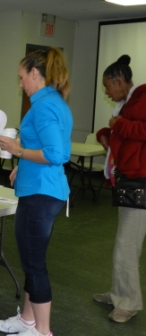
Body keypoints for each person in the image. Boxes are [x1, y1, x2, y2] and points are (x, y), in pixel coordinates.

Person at [0, 48, 73, 336]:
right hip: (40, 187)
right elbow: (47, 150)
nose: (20, 84)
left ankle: (42, 330)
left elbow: (56, 153)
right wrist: (21, 164)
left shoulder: (42, 106)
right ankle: (28, 320)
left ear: (35, 74)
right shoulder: (53, 101)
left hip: (41, 194)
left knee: (35, 264)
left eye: (22, 77)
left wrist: (18, 150)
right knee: (30, 260)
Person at [93, 55, 146, 323]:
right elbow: (125, 134)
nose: (106, 92)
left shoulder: (144, 97)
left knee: (128, 245)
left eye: (107, 86)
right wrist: (106, 133)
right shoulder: (128, 103)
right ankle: (118, 294)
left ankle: (129, 303)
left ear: (119, 81)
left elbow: (140, 130)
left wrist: (118, 126)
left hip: (141, 183)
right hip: (128, 181)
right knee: (123, 245)